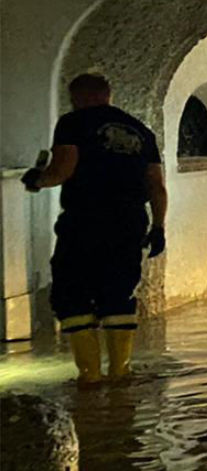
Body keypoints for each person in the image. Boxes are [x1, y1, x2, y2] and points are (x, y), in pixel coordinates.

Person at [22, 74, 166, 383]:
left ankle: (89, 376)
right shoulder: (141, 131)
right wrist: (159, 226)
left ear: (78, 97)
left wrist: (36, 180)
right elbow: (156, 185)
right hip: (130, 221)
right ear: (108, 95)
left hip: (86, 220)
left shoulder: (73, 123)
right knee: (119, 290)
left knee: (71, 290)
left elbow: (62, 169)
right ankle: (120, 372)